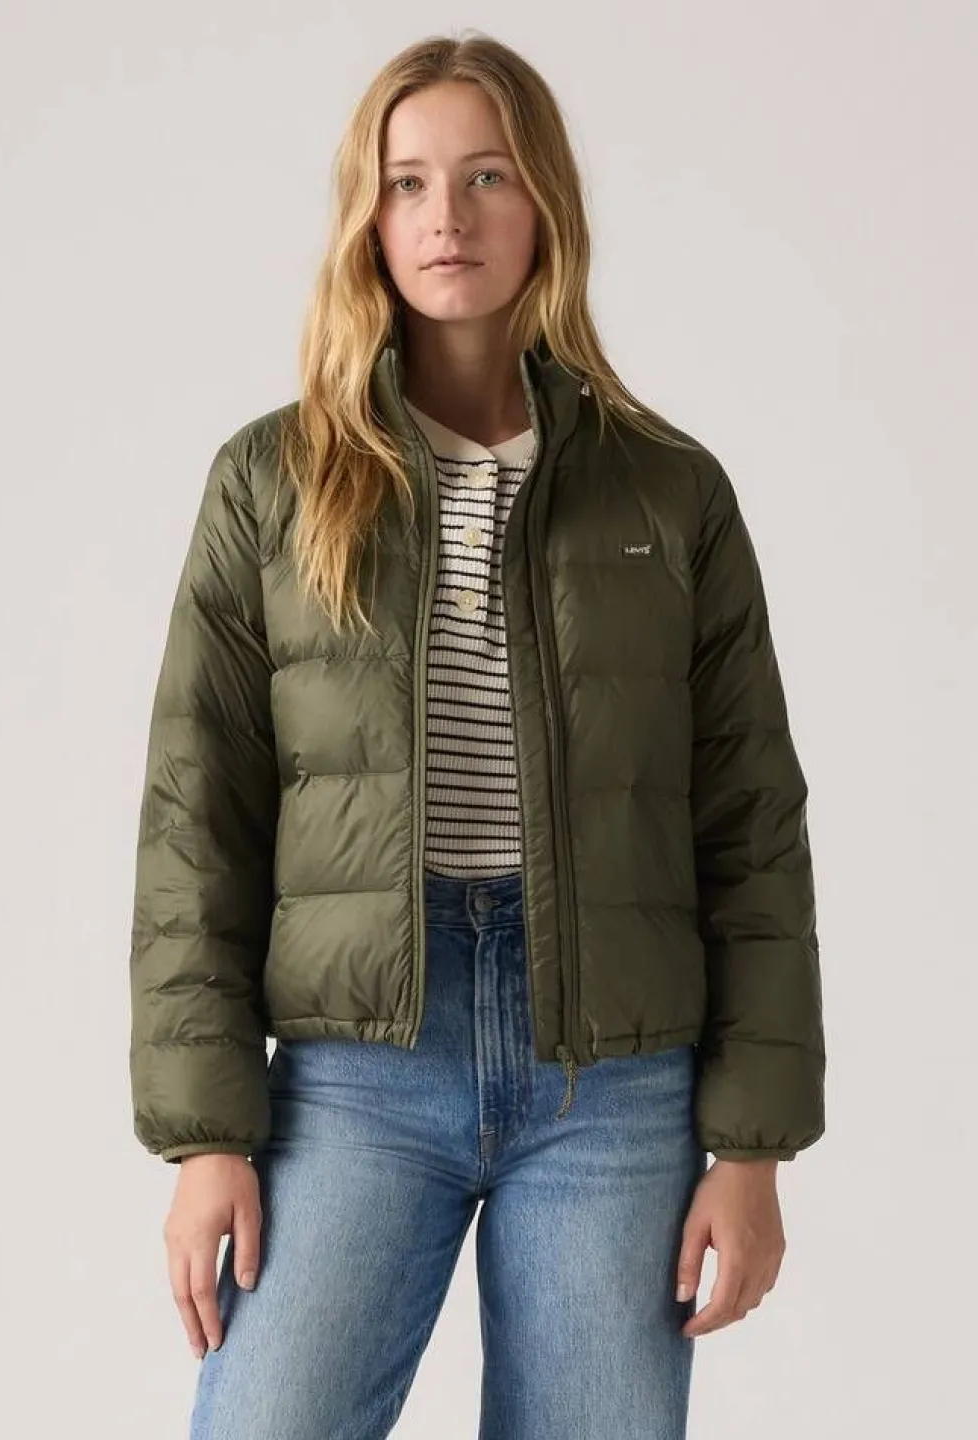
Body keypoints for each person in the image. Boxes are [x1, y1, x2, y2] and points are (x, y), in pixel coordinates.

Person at [128, 30, 826, 1440]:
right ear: (368, 215)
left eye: (487, 175)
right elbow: (200, 816)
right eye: (409, 181)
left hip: (614, 1082)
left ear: (545, 200)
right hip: (356, 1070)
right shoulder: (274, 483)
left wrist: (751, 1149)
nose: (447, 214)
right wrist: (207, 1134)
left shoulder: (670, 492)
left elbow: (752, 825)